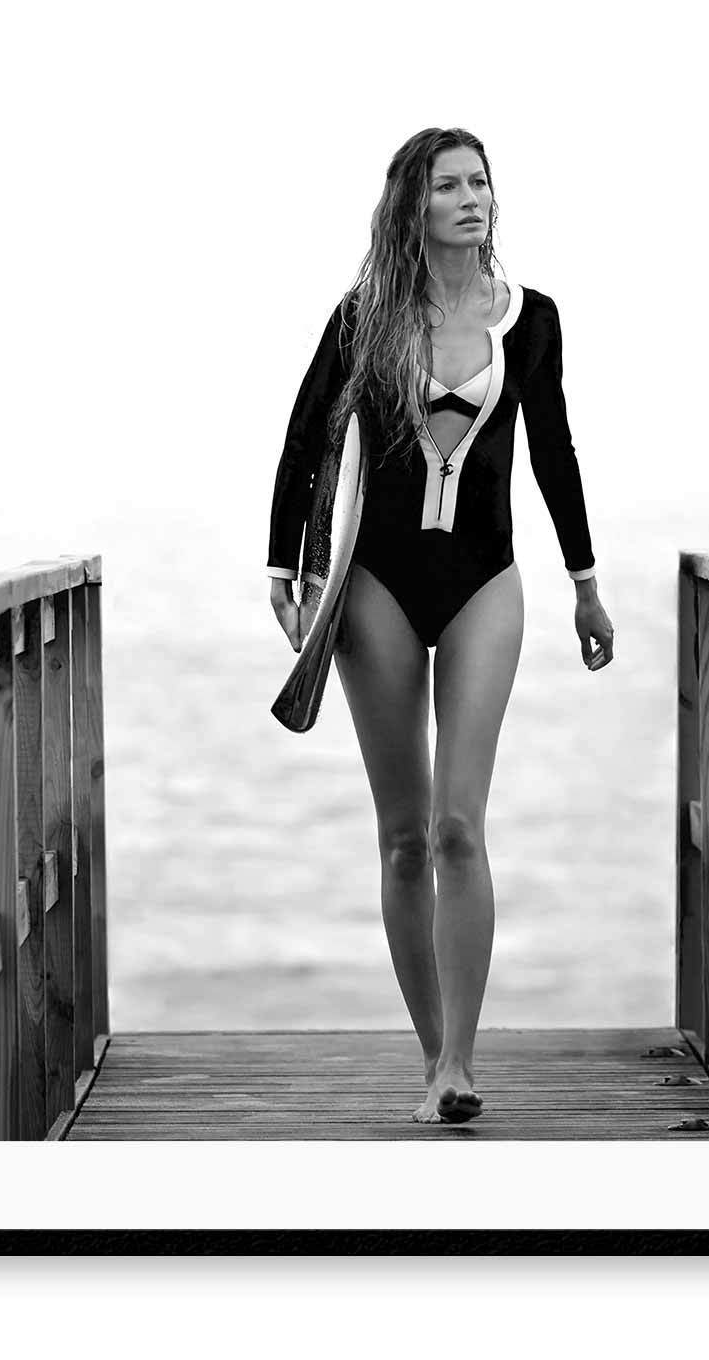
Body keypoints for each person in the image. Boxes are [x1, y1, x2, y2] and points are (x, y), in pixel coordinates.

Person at [266, 127, 615, 1124]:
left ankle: (461, 1062)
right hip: (375, 583)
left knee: (462, 826)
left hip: (484, 583)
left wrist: (586, 585)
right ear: (410, 207)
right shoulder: (367, 317)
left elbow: (554, 454)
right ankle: (431, 1058)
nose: (470, 199)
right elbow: (304, 436)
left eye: (480, 183)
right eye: (447, 185)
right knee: (405, 836)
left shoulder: (532, 320)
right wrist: (286, 566)